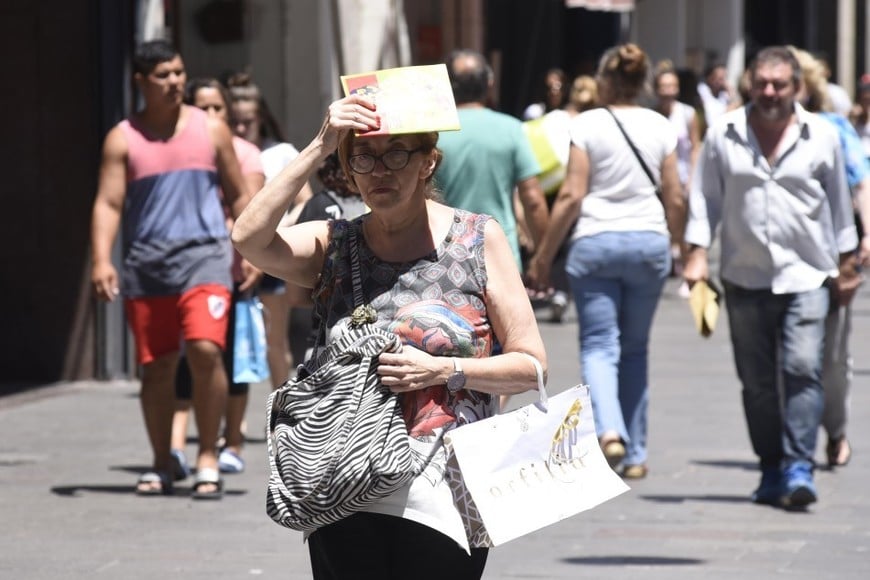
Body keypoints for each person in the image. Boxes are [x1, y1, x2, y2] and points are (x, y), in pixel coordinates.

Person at [231, 92, 548, 578]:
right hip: (343, 482)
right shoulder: (334, 242)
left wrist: (445, 369)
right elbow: (248, 239)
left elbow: (532, 365)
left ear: (428, 162)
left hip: (447, 488)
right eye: (363, 158)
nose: (379, 171)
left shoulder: (477, 238)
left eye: (396, 155)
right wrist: (320, 145)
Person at [683, 46, 860, 508]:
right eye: (761, 82)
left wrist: (847, 263)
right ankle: (770, 467)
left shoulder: (821, 135)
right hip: (744, 276)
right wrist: (697, 254)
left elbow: (840, 204)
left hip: (807, 274)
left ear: (796, 87)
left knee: (803, 368)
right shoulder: (725, 133)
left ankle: (800, 466)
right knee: (757, 382)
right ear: (750, 84)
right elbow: (705, 201)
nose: (769, 92)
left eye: (779, 84)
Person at [89, 40, 250, 498]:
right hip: (147, 263)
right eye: (163, 75)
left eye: (179, 72)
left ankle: (206, 456)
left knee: (204, 350)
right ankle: (162, 461)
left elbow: (240, 197)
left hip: (206, 257)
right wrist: (102, 259)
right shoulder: (123, 138)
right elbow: (108, 201)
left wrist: (253, 251)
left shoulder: (210, 129)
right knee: (156, 368)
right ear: (140, 81)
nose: (176, 81)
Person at [527, 43, 685, 480]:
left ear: (605, 80)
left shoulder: (588, 124)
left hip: (595, 242)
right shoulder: (660, 125)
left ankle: (610, 430)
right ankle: (635, 453)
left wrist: (543, 255)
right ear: (644, 82)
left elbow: (573, 195)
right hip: (648, 242)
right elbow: (674, 195)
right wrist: (683, 248)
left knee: (599, 344)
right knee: (636, 348)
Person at [170, 77, 266, 476]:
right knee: (185, 359)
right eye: (202, 108)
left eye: (217, 108)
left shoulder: (244, 153)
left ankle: (234, 440)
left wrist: (253, 256)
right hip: (187, 269)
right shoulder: (178, 148)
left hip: (232, 269)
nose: (210, 116)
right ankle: (176, 445)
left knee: (229, 356)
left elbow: (254, 208)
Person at [790, 46, 870, 469]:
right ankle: (794, 445)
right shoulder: (750, 126)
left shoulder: (834, 128)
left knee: (833, 357)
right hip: (776, 265)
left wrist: (868, 234)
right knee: (789, 358)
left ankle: (835, 431)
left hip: (831, 258)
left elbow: (861, 182)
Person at [226, 73, 314, 390]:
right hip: (232, 258)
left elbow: (305, 201)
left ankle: (281, 408)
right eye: (234, 121)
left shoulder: (281, 153)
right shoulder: (227, 152)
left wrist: (277, 229)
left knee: (273, 341)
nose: (240, 128)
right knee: (233, 339)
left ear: (260, 117)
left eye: (246, 121)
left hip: (274, 254)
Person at [436, 49, 549, 275]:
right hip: (501, 255)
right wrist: (542, 257)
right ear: (490, 83)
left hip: (444, 256)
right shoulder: (511, 129)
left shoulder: (432, 134)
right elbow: (533, 199)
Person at [286, 152, 367, 366]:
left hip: (327, 341)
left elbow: (296, 295)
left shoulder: (316, 206)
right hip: (383, 342)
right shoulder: (384, 205)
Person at [653, 60, 701, 290]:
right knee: (662, 229)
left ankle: (686, 271)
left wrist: (693, 178)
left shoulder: (688, 114)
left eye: (672, 86)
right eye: (663, 86)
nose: (668, 91)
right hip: (657, 181)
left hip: (682, 179)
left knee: (683, 229)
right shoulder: (651, 115)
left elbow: (695, 146)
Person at [697, 61, 733, 128]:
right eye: (719, 78)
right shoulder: (701, 91)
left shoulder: (725, 95)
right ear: (709, 78)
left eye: (724, 78)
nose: (723, 82)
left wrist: (731, 92)